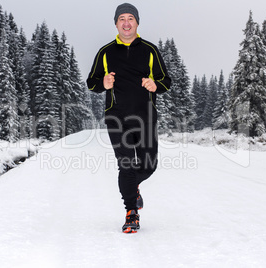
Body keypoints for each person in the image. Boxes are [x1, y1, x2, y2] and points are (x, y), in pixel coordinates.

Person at [87, 3, 171, 233]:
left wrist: (156, 85)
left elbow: (166, 81)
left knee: (149, 165)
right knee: (126, 165)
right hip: (117, 118)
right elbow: (91, 82)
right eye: (122, 18)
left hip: (146, 118)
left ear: (137, 22)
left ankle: (132, 188)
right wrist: (102, 83)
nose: (126, 23)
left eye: (130, 18)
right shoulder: (105, 52)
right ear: (116, 23)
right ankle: (131, 212)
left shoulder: (150, 50)